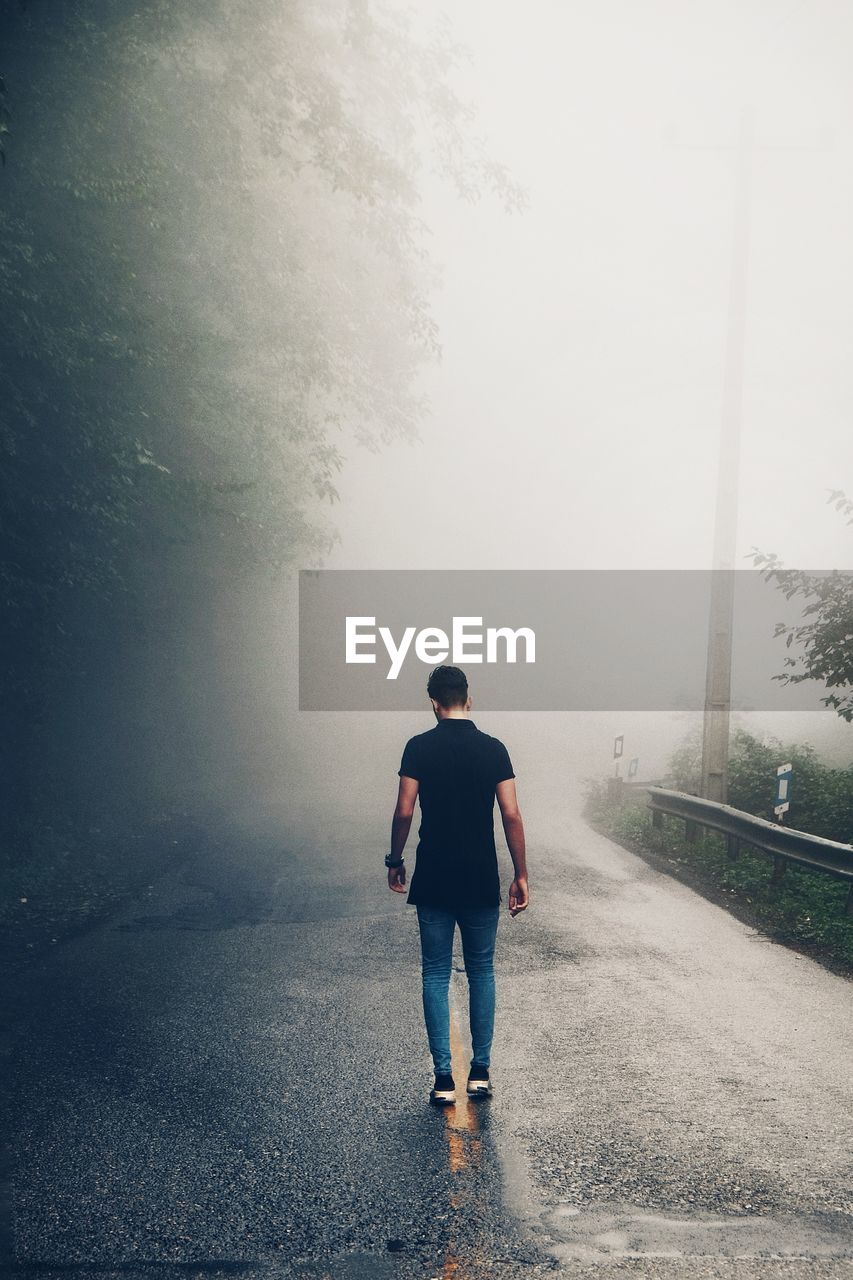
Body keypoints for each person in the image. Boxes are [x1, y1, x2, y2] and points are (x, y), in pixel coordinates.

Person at [386, 664, 529, 1106]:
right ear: (469, 698)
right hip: (480, 875)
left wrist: (395, 859)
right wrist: (520, 873)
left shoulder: (418, 747)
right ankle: (480, 1073)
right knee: (482, 971)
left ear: (433, 702)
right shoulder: (494, 749)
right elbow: (510, 814)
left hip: (434, 874)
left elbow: (405, 810)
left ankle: (444, 1079)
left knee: (435, 973)